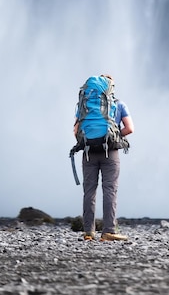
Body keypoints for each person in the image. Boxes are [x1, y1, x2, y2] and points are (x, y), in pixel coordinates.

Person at [73, 74, 134, 242]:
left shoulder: (84, 105)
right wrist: (114, 136)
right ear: (111, 88)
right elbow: (130, 129)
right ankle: (109, 231)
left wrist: (90, 140)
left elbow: (75, 130)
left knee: (89, 191)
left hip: (88, 152)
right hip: (111, 152)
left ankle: (88, 233)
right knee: (110, 190)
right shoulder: (119, 104)